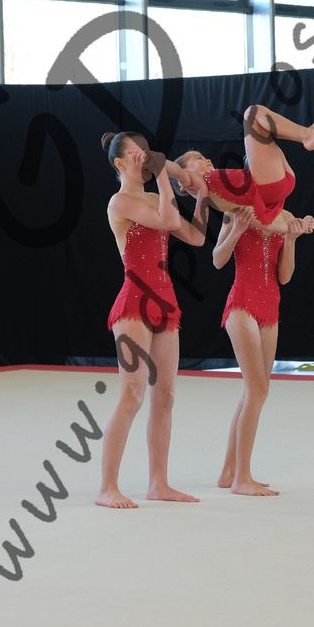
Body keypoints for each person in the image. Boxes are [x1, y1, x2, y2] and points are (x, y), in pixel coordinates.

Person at [97, 130, 209, 509]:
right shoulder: (120, 201)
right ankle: (107, 487)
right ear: (119, 163)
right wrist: (164, 173)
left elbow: (195, 237)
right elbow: (165, 220)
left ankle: (158, 483)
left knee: (166, 396)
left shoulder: (151, 197)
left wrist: (202, 196)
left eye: (145, 151)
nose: (143, 157)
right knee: (132, 395)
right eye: (135, 154)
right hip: (135, 302)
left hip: (164, 300)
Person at [212, 205, 314, 495]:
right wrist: (237, 230)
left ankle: (229, 471)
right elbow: (218, 259)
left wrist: (291, 240)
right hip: (242, 302)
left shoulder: (285, 217)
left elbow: (284, 276)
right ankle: (242, 478)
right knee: (256, 390)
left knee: (255, 390)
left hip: (270, 305)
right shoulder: (237, 212)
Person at [170, 105, 314, 225]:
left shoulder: (213, 191)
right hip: (268, 187)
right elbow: (175, 172)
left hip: (275, 184)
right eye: (198, 158)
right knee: (252, 113)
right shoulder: (192, 181)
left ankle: (307, 132)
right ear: (182, 181)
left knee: (263, 129)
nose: (207, 160)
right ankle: (307, 134)